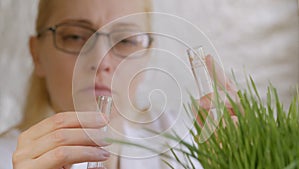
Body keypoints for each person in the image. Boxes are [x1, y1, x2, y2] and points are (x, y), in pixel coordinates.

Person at [0, 0, 237, 169]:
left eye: (126, 41)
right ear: (37, 54)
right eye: (74, 36)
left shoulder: (191, 143)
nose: (101, 61)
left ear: (147, 56)